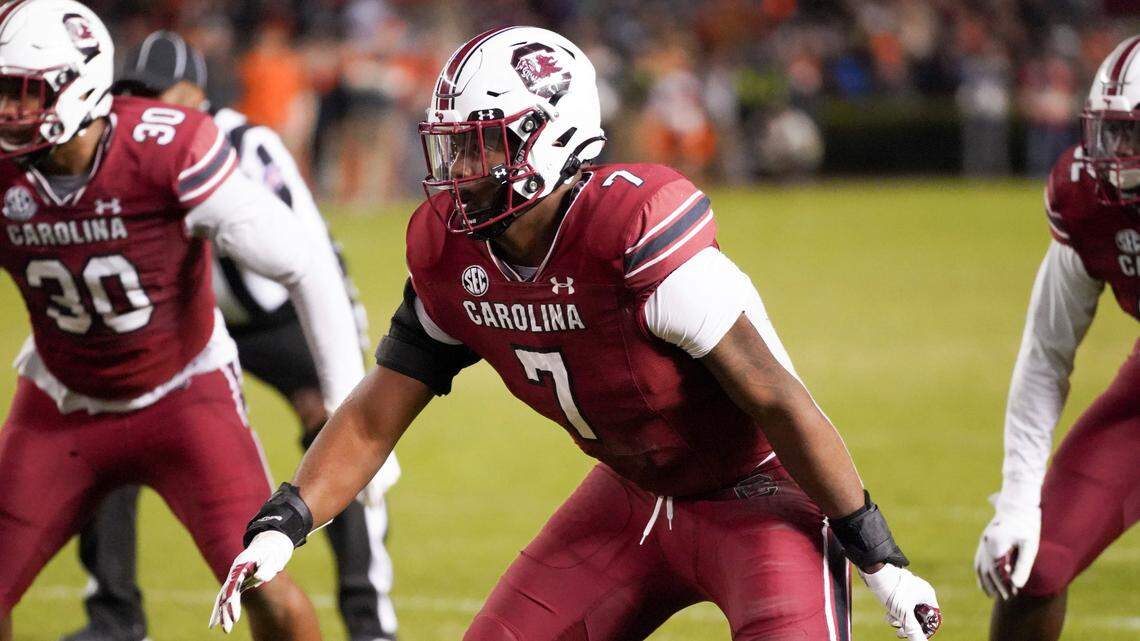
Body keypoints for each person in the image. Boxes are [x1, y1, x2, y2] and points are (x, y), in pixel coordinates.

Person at [211, 27, 943, 640]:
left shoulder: (634, 234)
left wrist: (879, 555)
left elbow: (778, 398)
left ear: (551, 138)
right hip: (629, 496)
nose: (460, 170)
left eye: (482, 145)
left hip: (759, 495)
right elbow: (376, 410)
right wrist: (288, 517)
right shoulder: (453, 254)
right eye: (455, 146)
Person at [0, 2, 362, 640]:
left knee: (267, 589)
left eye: (19, 91)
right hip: (62, 403)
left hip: (185, 399)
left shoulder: (165, 146)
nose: (5, 108)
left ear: (79, 84)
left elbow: (303, 261)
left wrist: (343, 407)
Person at [975, 34, 1140, 641]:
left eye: (1134, 136)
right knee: (1033, 565)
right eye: (1111, 132)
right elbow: (1047, 356)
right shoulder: (1087, 198)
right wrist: (1018, 500)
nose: (1116, 155)